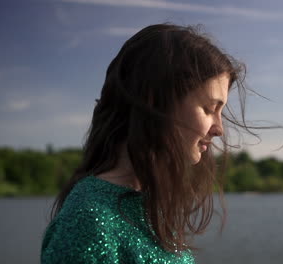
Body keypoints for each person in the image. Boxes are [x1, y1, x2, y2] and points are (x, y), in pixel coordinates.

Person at [41, 23, 254, 263]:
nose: (219, 130)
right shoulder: (88, 220)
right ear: (154, 102)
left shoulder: (146, 203)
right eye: (209, 109)